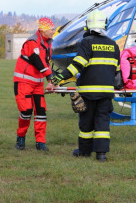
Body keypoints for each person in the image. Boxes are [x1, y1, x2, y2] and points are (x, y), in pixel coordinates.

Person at [51, 10, 120, 162]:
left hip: (88, 92)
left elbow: (77, 65)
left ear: (88, 26)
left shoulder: (86, 42)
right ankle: (101, 154)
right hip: (106, 93)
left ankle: (84, 151)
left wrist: (60, 77)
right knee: (102, 123)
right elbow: (117, 71)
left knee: (86, 123)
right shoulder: (113, 44)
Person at [14, 17, 55, 151]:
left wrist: (53, 80)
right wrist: (50, 78)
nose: (53, 31)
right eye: (51, 29)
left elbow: (47, 62)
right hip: (23, 82)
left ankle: (40, 143)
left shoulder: (48, 42)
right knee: (26, 111)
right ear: (43, 30)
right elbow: (38, 62)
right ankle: (20, 138)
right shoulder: (32, 42)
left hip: (37, 83)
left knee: (41, 113)